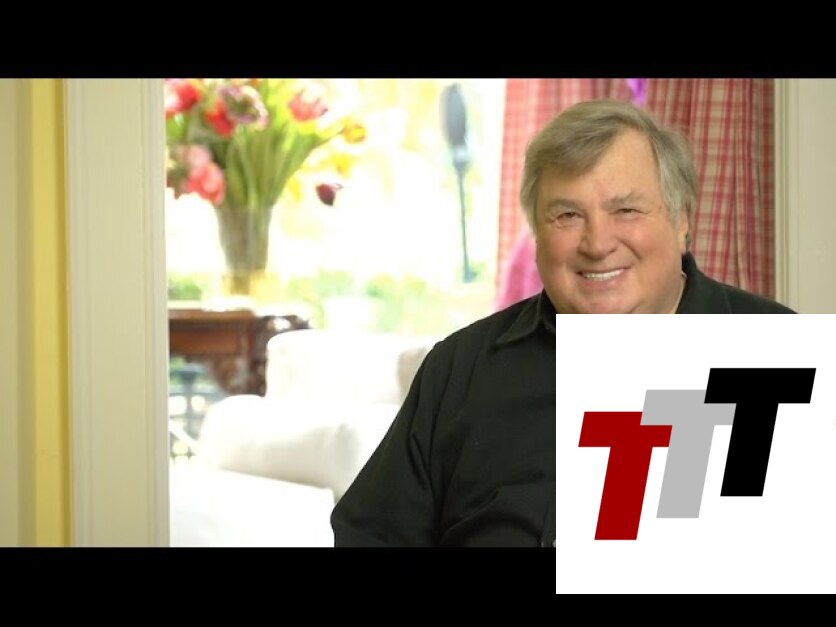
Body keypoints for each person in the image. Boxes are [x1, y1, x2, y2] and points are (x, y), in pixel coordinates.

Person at [330, 99, 794, 547]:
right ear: (536, 233)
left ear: (681, 220)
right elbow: (370, 536)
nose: (597, 243)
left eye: (626, 210)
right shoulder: (460, 368)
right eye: (567, 215)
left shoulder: (779, 353)